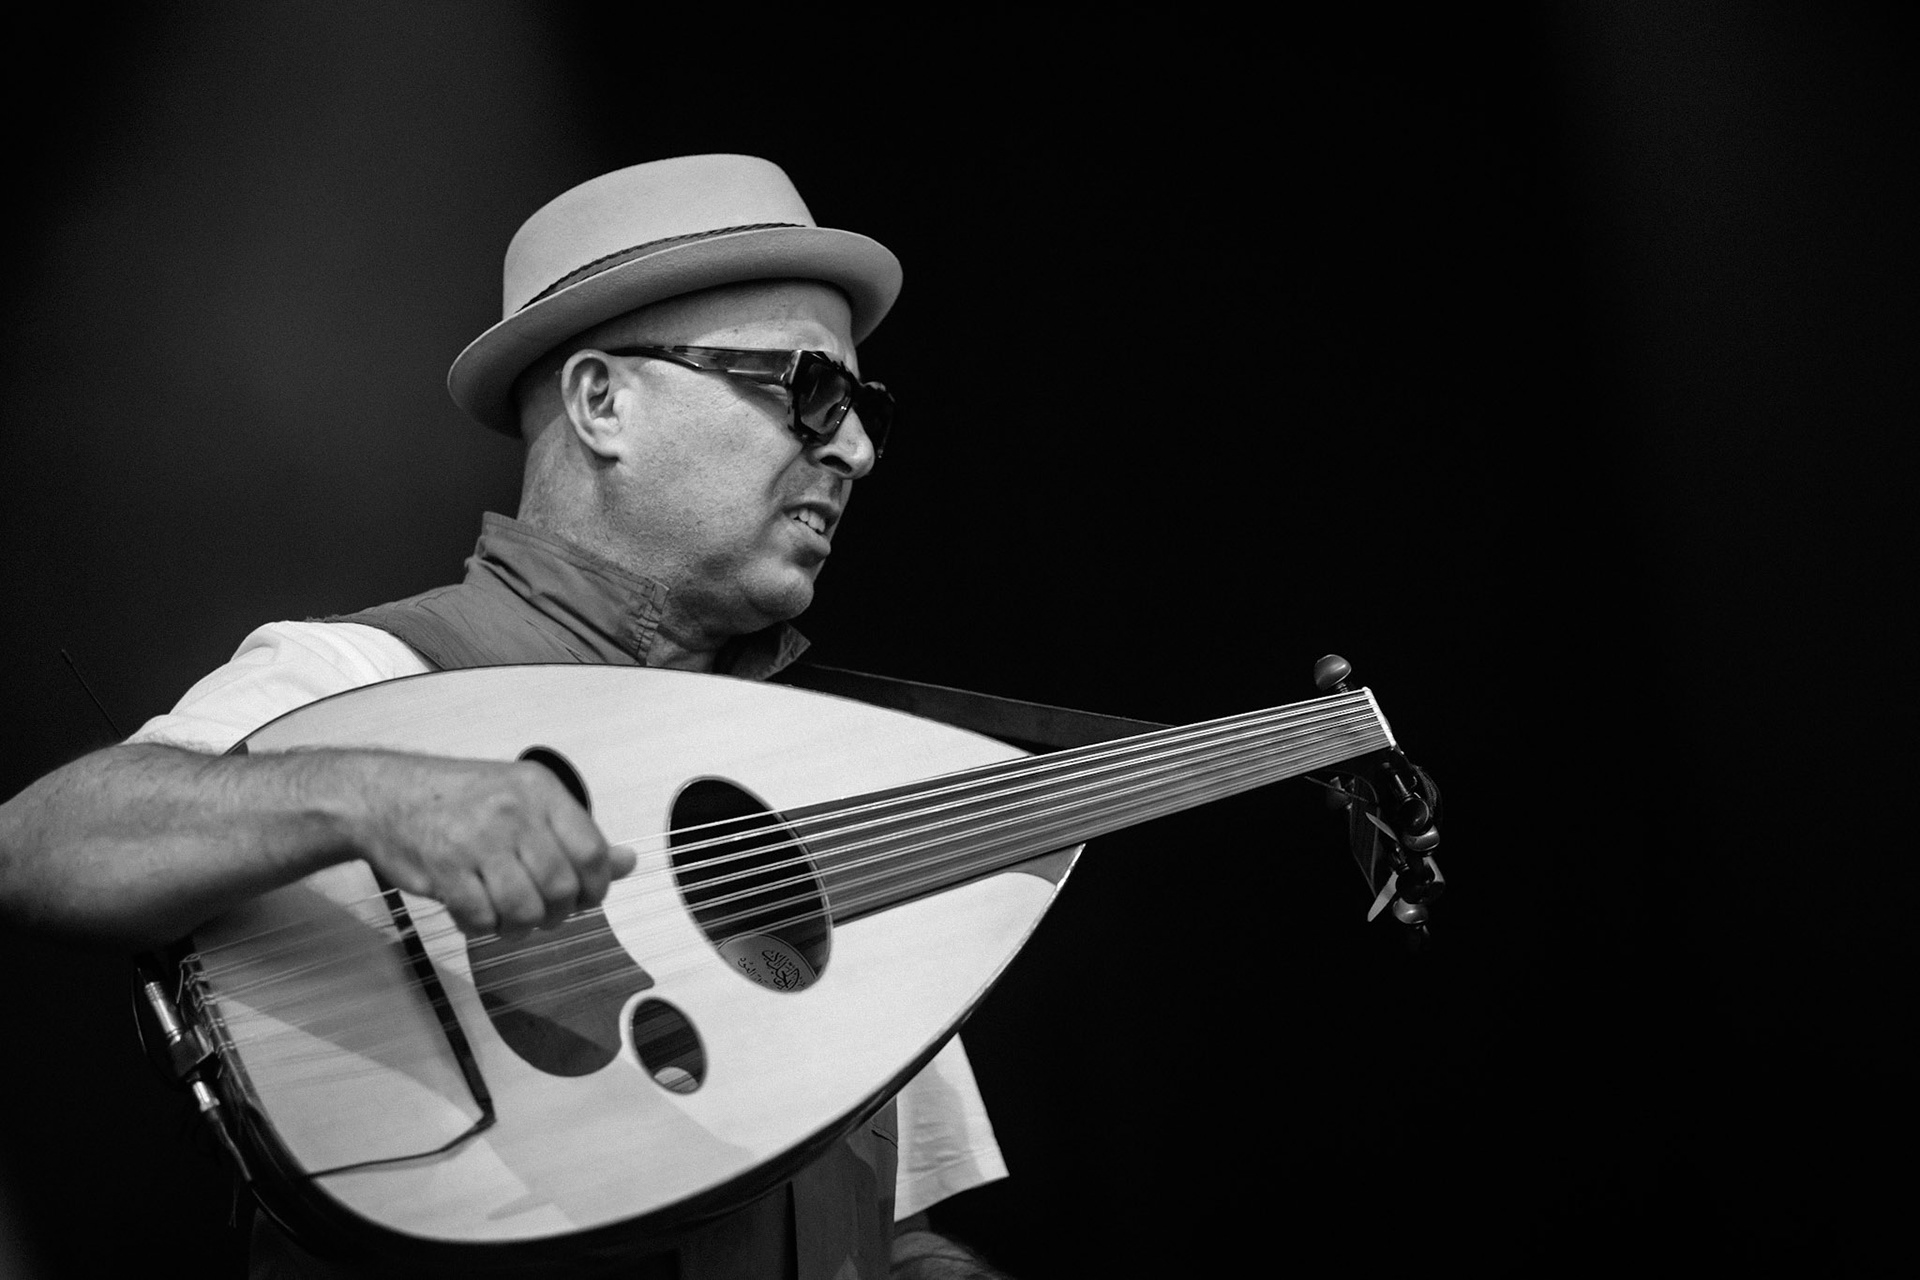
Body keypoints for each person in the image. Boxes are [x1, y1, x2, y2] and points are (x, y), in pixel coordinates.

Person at [0, 154, 1011, 1280]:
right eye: (811, 389)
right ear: (602, 402)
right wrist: (375, 790)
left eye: (866, 407)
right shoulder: (364, 675)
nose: (857, 451)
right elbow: (39, 844)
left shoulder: (821, 791)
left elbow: (900, 1228)